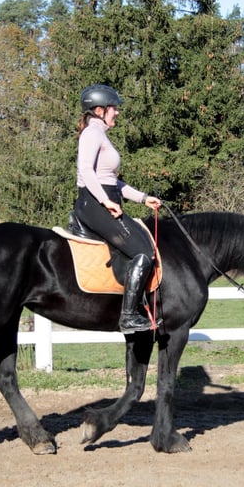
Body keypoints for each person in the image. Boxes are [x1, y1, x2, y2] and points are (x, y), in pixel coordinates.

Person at [73, 83, 162, 333]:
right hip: (93, 202)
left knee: (143, 244)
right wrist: (105, 201)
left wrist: (143, 198)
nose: (118, 112)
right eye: (114, 108)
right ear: (100, 110)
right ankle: (129, 316)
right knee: (142, 251)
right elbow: (85, 172)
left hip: (105, 197)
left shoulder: (101, 134)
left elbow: (114, 182)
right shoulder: (92, 133)